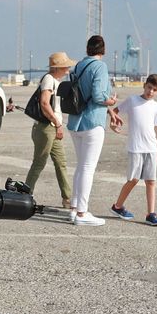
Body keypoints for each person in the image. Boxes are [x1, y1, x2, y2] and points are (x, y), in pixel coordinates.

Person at [66, 34, 118, 226]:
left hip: (75, 121)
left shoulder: (78, 66)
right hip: (92, 122)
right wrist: (110, 101)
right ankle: (82, 213)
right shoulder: (100, 67)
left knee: (80, 167)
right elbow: (97, 95)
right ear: (103, 51)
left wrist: (110, 110)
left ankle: (73, 208)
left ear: (87, 49)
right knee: (87, 168)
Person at [109, 73, 157, 226]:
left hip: (151, 148)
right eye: (149, 87)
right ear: (144, 85)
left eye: (155, 90)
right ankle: (117, 206)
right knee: (133, 180)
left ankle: (151, 213)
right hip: (135, 148)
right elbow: (114, 111)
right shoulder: (132, 100)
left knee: (151, 181)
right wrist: (113, 124)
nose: (151, 92)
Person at [23, 51, 74, 209]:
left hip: (51, 127)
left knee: (61, 163)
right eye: (65, 66)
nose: (68, 69)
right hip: (46, 128)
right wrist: (57, 123)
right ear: (57, 68)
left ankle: (67, 198)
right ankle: (24, 194)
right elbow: (45, 104)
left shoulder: (54, 81)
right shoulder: (49, 80)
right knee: (39, 163)